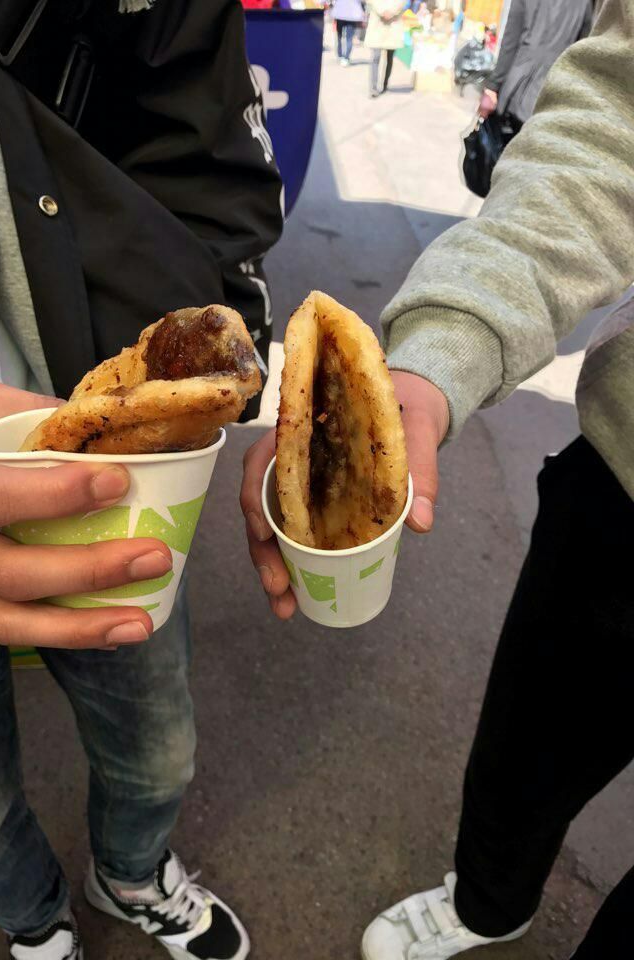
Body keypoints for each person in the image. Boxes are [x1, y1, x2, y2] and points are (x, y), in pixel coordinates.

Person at [240, 0, 634, 954]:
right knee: (524, 755)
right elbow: (610, 136)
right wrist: (427, 362)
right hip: (623, 484)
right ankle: (487, 906)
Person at [0, 1, 282, 958]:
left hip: (117, 479)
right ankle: (37, 925)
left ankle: (130, 876)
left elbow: (207, 146)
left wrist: (218, 339)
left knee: (159, 752)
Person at [478, 0, 593, 133]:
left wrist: (493, 87)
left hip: (516, 90)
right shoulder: (585, 4)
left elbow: (510, 43)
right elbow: (580, 55)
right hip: (549, 97)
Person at [365, 1, 405, 97]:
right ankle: (373, 88)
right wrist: (382, 11)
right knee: (375, 57)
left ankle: (385, 84)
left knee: (389, 58)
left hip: (393, 24)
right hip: (377, 24)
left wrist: (392, 11)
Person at [331, 0, 365, 65]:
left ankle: (341, 55)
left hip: (340, 14)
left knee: (339, 37)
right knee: (349, 38)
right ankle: (346, 58)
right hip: (352, 16)